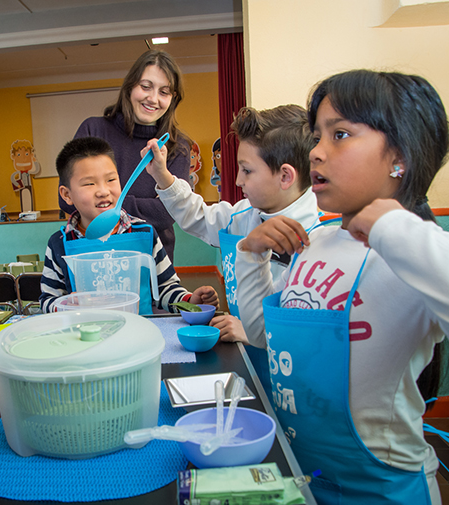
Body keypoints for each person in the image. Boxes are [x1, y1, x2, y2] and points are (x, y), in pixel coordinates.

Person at [240, 70, 449, 505]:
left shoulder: (425, 249)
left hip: (385, 493)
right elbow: (263, 338)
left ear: (400, 156)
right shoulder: (313, 244)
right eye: (317, 136)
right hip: (304, 477)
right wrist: (250, 258)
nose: (316, 151)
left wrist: (393, 227)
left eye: (340, 134)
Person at [145, 105, 318, 349]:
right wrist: (162, 175)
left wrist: (253, 332)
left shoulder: (320, 236)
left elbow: (312, 335)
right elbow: (198, 216)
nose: (238, 180)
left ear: (285, 176)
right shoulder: (244, 214)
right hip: (247, 356)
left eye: (247, 170)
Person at [40, 137, 218, 314]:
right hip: (86, 338)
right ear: (66, 194)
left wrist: (189, 301)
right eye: (89, 184)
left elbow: (166, 288)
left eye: (111, 180)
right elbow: (48, 300)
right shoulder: (59, 243)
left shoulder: (144, 233)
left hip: (138, 334)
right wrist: (66, 304)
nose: (103, 191)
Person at [60, 49, 191, 261]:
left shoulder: (179, 148)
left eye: (164, 92)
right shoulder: (94, 130)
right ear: (130, 86)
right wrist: (143, 205)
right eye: (145, 87)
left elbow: (167, 213)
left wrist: (104, 204)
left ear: (173, 99)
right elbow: (67, 200)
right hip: (92, 258)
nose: (153, 98)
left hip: (152, 264)